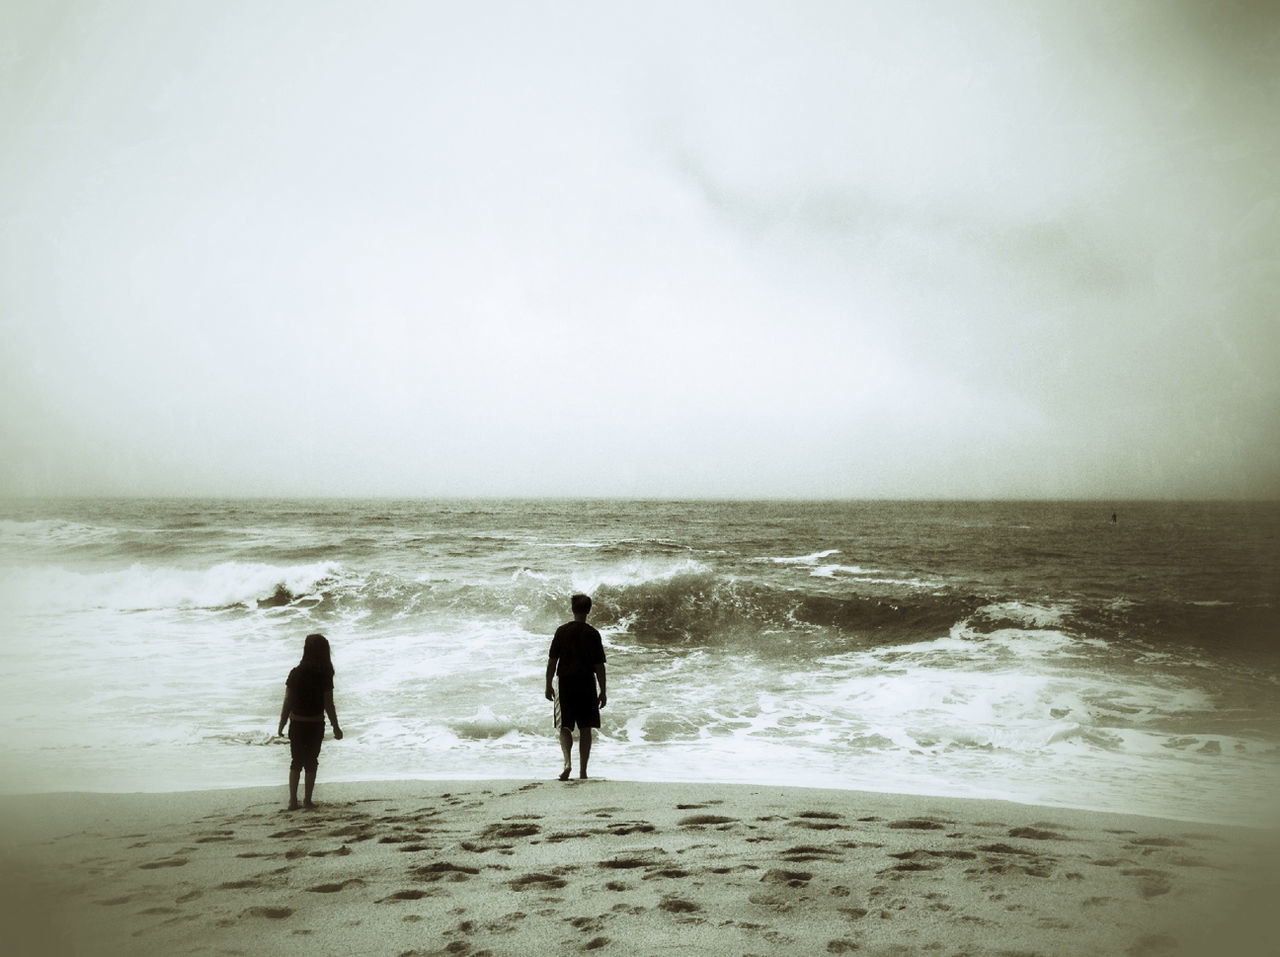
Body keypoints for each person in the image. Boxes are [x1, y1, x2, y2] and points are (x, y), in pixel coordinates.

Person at [277, 633, 343, 810]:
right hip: (315, 724)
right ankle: (307, 801)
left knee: (296, 761)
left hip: (296, 723)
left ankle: (292, 801)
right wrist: (336, 727)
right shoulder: (325, 675)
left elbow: (287, 702)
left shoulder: (295, 673)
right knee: (311, 761)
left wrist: (282, 723)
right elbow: (329, 704)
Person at [545, 594, 607, 781]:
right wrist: (603, 691)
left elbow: (552, 662)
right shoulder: (593, 634)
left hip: (565, 683)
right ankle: (583, 771)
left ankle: (567, 763)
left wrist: (548, 685)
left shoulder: (561, 631)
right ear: (588, 610)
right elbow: (599, 666)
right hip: (587, 683)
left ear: (573, 609)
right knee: (586, 728)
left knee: (564, 726)